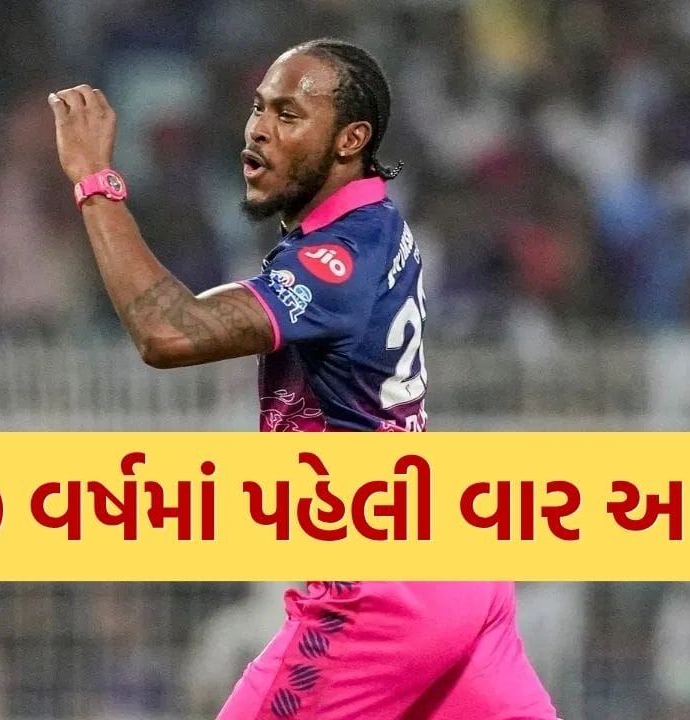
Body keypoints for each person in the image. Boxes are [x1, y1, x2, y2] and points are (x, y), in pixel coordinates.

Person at [48, 38, 558, 720]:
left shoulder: (341, 256)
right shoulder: (372, 226)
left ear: (351, 140)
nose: (259, 129)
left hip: (380, 586)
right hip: (455, 565)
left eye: (289, 114)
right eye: (259, 108)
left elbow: (167, 332)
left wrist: (94, 181)